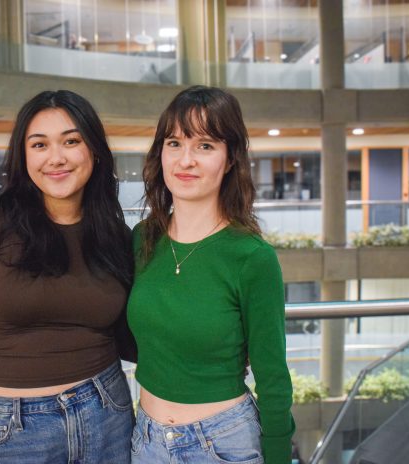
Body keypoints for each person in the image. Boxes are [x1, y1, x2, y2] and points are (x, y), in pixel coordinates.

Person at [0, 90, 136, 463]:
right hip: (16, 425)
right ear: (23, 157)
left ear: (95, 151)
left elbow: (123, 335)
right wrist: (4, 387)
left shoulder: (113, 232)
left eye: (71, 141)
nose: (56, 158)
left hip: (106, 407)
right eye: (39, 145)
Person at [127, 86, 295, 464]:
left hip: (222, 443)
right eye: (174, 143)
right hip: (146, 438)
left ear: (231, 157)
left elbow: (272, 375)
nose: (186, 160)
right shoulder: (143, 239)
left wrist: (280, 455)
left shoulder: (252, 257)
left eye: (205, 145)